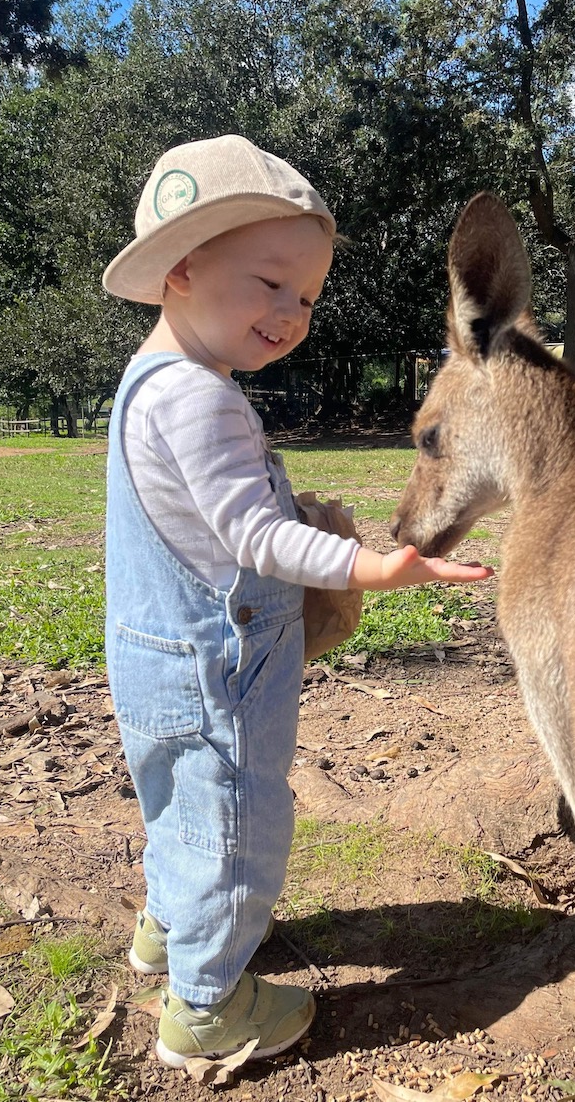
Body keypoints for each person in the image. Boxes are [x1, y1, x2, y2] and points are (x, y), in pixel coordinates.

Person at [101, 134, 492, 1071]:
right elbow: (253, 538)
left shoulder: (151, 382)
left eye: (307, 297)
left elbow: (212, 516)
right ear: (184, 268)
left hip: (155, 656)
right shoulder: (199, 399)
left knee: (178, 803)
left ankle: (167, 928)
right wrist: (373, 566)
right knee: (235, 818)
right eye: (271, 282)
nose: (292, 312)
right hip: (217, 671)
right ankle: (207, 1007)